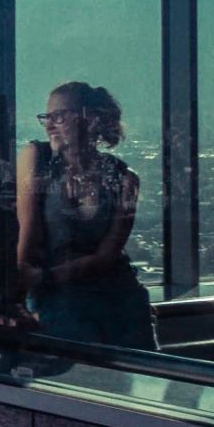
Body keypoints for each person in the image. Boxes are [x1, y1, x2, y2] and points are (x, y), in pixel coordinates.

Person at [16, 81, 156, 350]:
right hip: (59, 298)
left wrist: (44, 278)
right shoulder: (37, 157)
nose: (49, 125)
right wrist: (22, 289)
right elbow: (29, 232)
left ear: (91, 119)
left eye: (60, 116)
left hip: (120, 299)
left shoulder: (126, 179)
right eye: (47, 117)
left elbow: (107, 256)